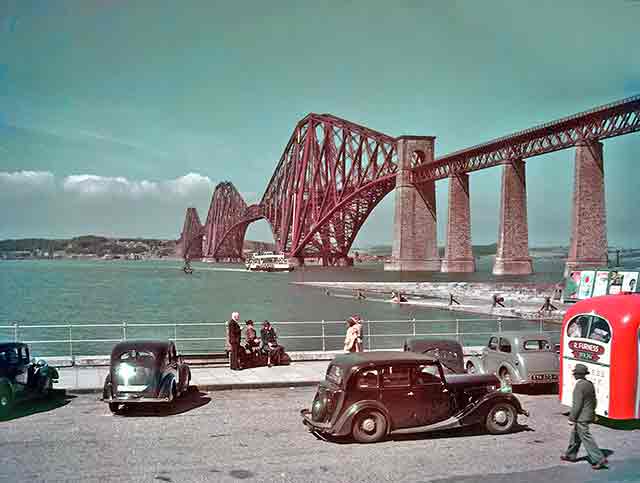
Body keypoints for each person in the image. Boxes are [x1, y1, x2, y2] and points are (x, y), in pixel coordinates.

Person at [561, 364, 608, 470]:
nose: (574, 375)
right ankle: (570, 455)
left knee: (586, 438)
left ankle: (599, 459)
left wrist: (571, 418)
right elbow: (594, 400)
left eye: (575, 373)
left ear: (578, 375)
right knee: (575, 435)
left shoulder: (579, 386)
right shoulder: (589, 384)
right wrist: (593, 413)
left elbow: (577, 404)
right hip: (588, 414)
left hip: (581, 417)